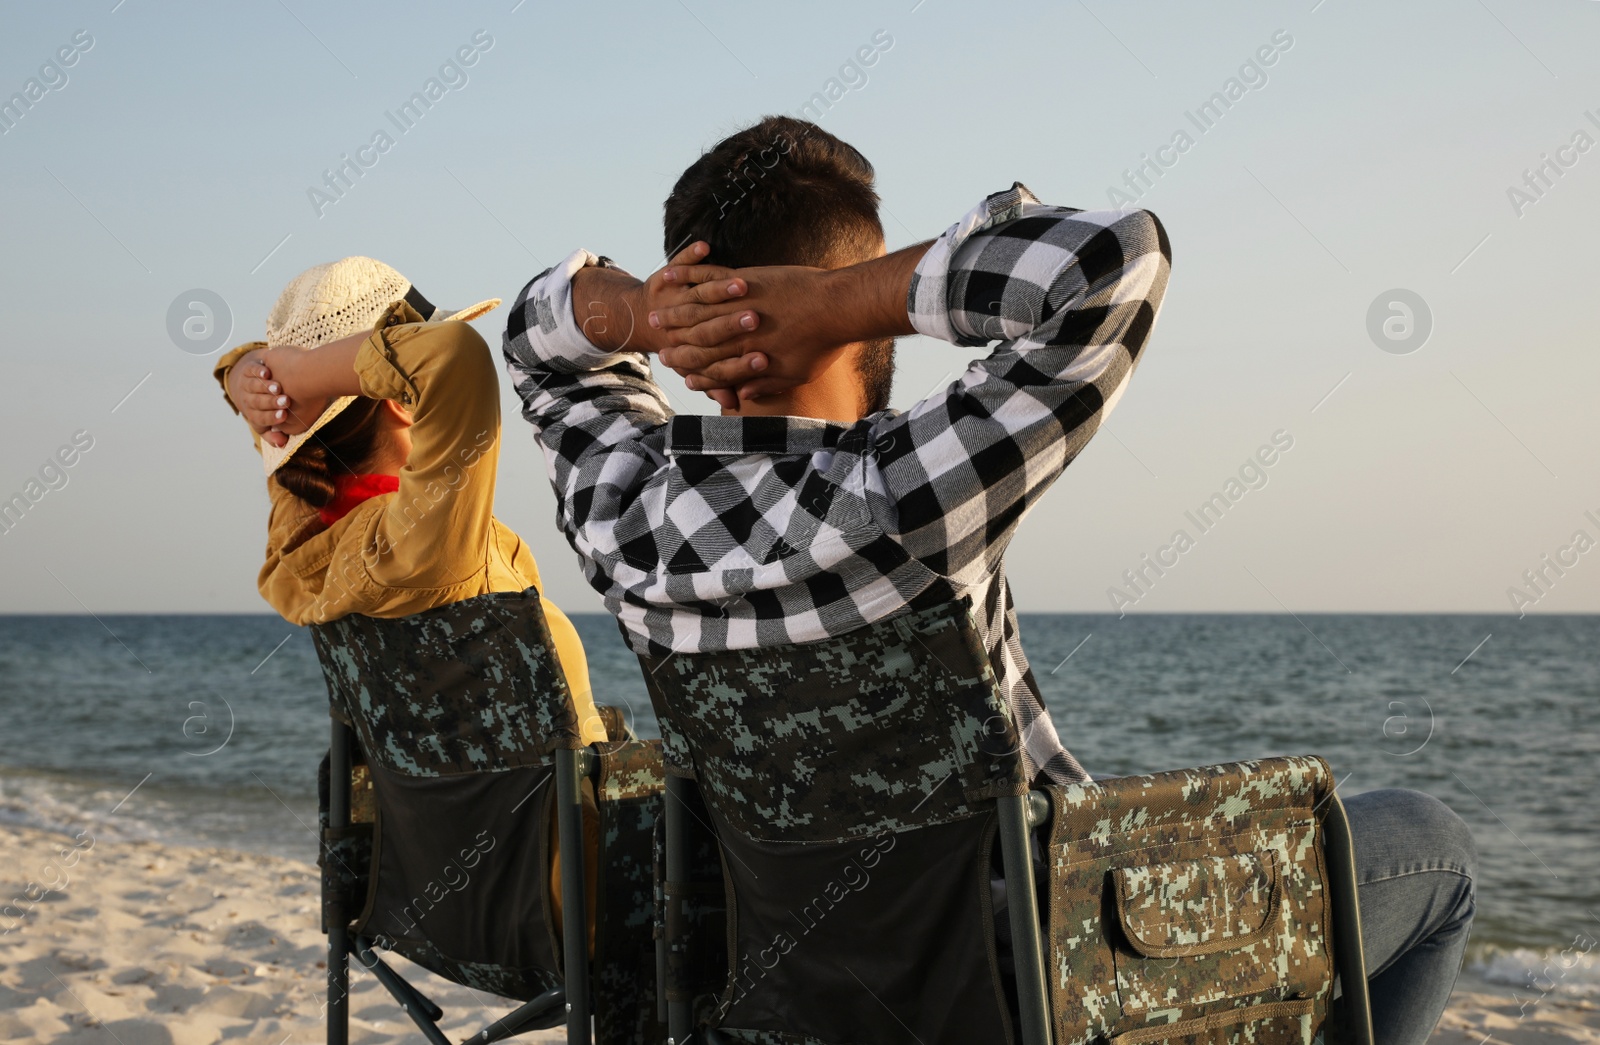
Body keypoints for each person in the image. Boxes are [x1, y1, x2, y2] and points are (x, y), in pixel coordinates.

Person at [500, 116, 1476, 1039]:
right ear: (839, 308)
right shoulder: (895, 489)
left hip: (803, 997)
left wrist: (642, 311)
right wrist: (838, 301)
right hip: (1045, 996)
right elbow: (1110, 258)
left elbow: (534, 339)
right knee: (1433, 846)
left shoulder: (623, 504)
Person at [214, 255, 607, 944]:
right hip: (575, 901)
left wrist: (256, 373)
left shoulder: (302, 544)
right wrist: (297, 374)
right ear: (403, 398)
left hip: (431, 906)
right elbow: (453, 356)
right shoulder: (426, 544)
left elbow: (285, 438)